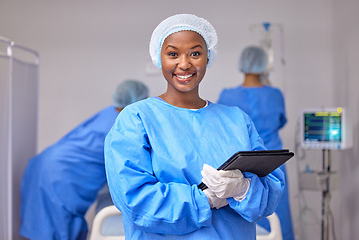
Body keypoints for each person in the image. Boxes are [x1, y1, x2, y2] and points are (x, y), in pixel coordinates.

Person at [104, 14, 285, 240]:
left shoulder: (237, 119)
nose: (184, 64)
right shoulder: (136, 119)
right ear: (159, 58)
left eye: (195, 53)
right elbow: (134, 200)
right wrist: (205, 199)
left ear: (208, 57)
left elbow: (271, 189)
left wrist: (243, 189)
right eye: (172, 54)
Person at [20, 80, 149, 240]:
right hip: (61, 174)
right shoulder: (123, 124)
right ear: (139, 101)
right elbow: (135, 163)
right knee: (57, 223)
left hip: (44, 161)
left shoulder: (108, 113)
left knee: (40, 222)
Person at [217, 45, 294, 240]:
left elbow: (220, 127)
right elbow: (281, 121)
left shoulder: (227, 96)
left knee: (240, 220)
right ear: (263, 66)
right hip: (274, 165)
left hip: (240, 165)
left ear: (242, 65)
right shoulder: (275, 94)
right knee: (277, 218)